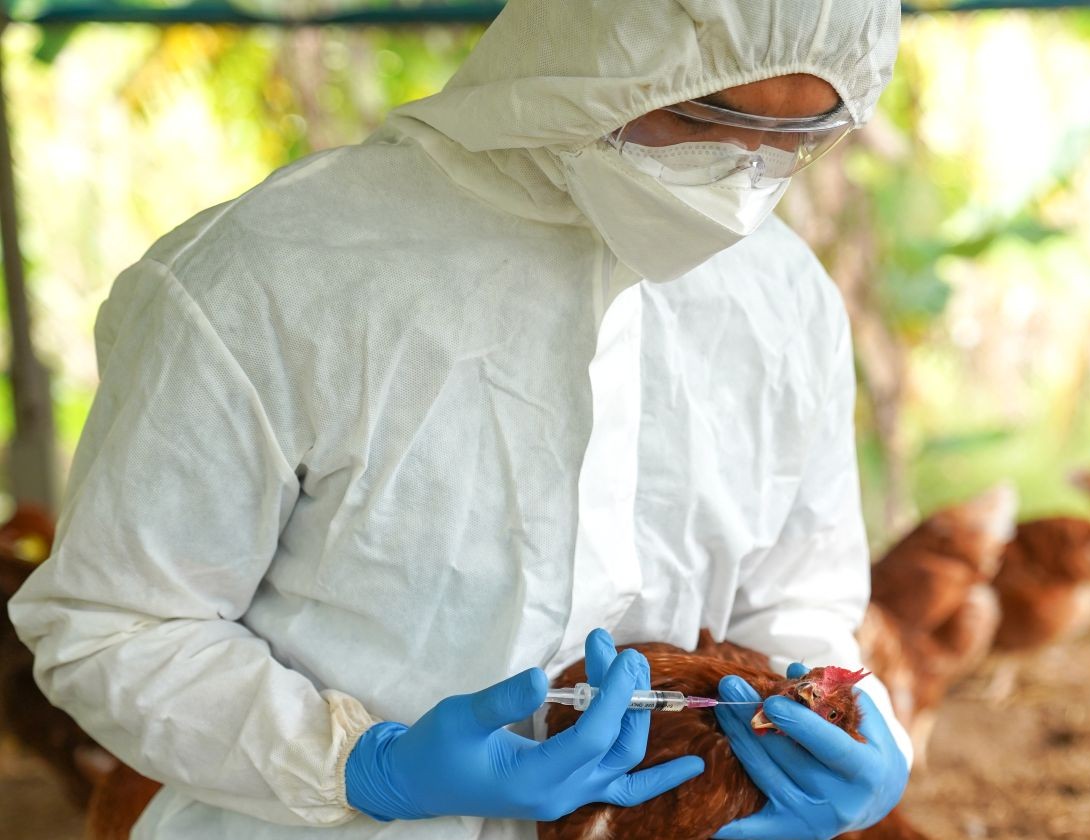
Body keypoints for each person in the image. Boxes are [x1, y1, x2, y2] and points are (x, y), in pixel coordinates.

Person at [8, 0, 910, 837]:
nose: (742, 172)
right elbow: (115, 626)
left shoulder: (783, 294)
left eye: (796, 137)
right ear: (596, 57)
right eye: (702, 117)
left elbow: (798, 598)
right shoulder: (271, 277)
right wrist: (368, 765)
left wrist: (846, 735)